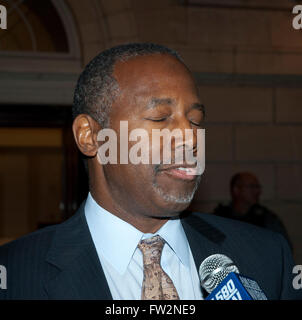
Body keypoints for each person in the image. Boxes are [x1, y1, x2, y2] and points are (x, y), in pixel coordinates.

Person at [0, 43, 300, 300]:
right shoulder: (15, 276)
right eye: (160, 118)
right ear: (90, 137)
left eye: (195, 121)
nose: (191, 137)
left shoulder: (267, 256)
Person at [213, 172, 293, 250]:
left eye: (257, 187)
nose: (257, 191)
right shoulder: (220, 217)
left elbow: (284, 248)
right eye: (251, 187)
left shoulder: (266, 218)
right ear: (236, 189)